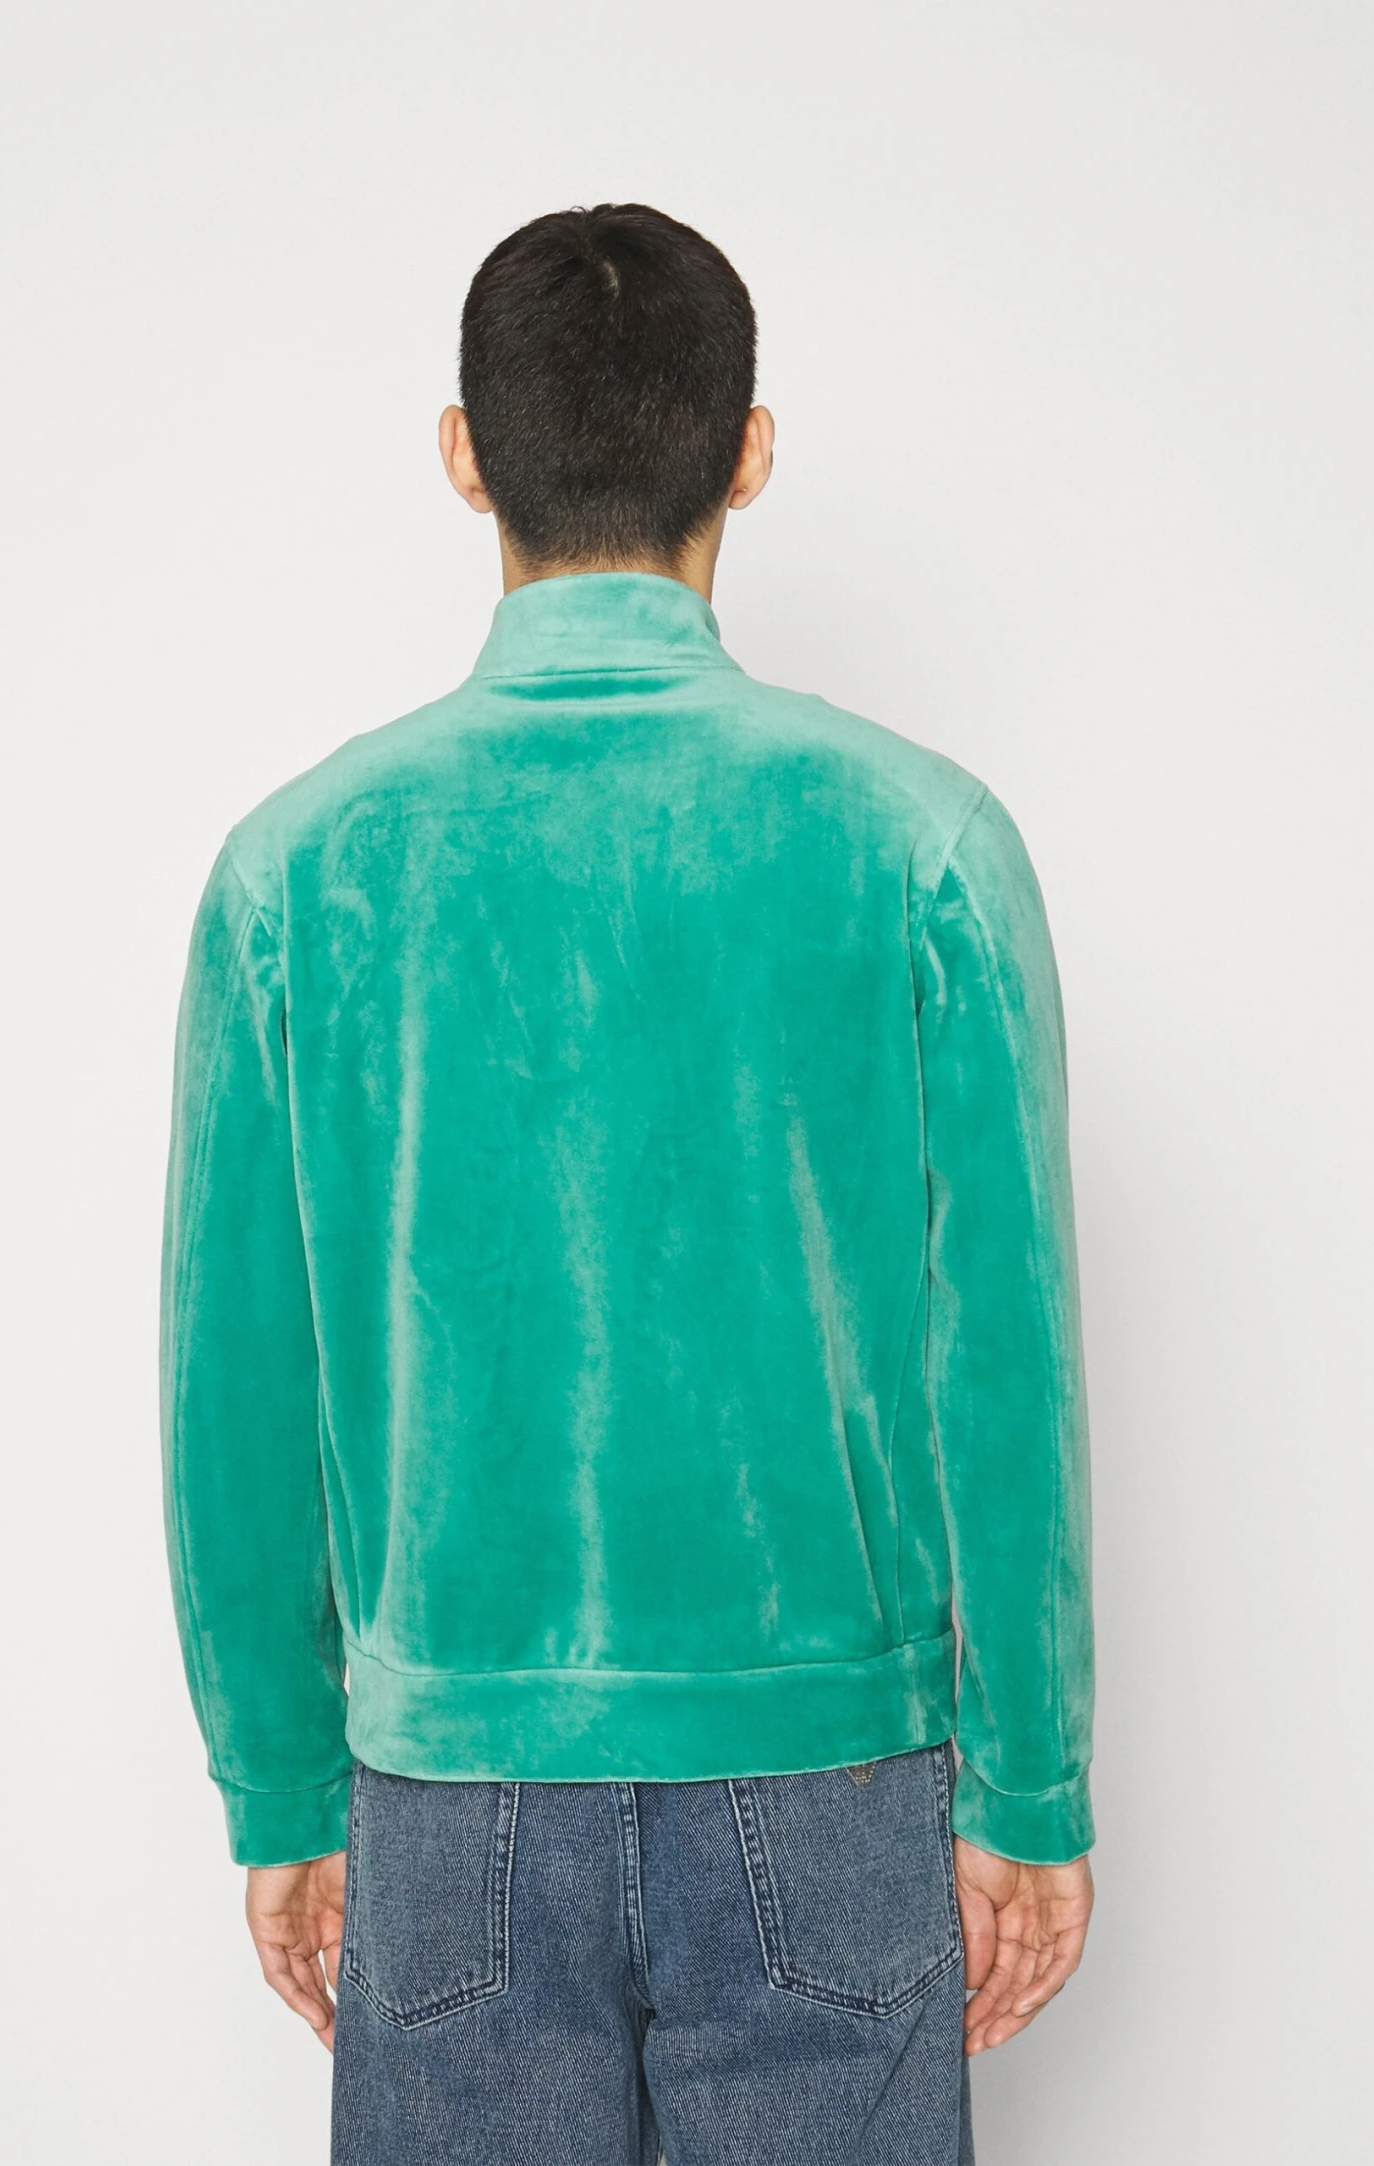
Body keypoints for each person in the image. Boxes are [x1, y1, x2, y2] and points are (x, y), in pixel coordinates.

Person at [160, 201, 1096, 2166]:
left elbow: (235, 1386)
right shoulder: (922, 842)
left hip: (449, 1787)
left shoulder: (294, 873)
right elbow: (1000, 1362)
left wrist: (281, 1784)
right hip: (833, 1778)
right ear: (747, 452)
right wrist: (1030, 1786)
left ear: (463, 453)